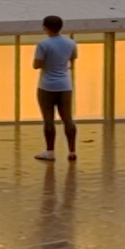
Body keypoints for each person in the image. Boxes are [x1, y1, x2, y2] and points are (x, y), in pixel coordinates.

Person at [33, 15, 78, 161]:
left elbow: (36, 65)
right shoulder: (71, 43)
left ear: (45, 28)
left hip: (46, 85)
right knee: (68, 119)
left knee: (48, 119)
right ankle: (72, 151)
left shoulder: (43, 45)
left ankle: (50, 152)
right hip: (65, 85)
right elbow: (72, 59)